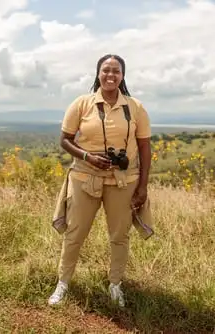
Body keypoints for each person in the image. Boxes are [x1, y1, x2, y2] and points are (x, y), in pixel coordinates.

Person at [49, 54, 152, 307]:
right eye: (106, 70)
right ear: (97, 73)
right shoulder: (82, 104)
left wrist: (142, 186)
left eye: (116, 71)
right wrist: (88, 157)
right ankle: (63, 283)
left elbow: (145, 148)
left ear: (122, 76)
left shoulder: (135, 107)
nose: (110, 75)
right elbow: (64, 140)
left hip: (123, 181)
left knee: (120, 236)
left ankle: (115, 285)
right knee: (75, 233)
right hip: (85, 177)